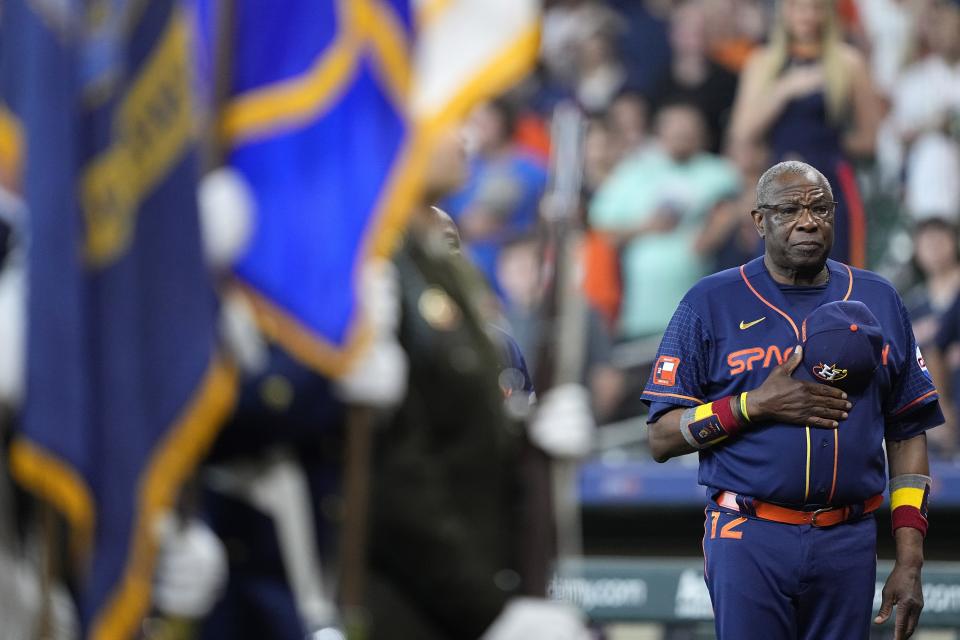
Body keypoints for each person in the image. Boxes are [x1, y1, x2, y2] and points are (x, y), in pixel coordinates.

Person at [643, 160, 942, 639]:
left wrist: (910, 559)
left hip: (848, 536)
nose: (808, 221)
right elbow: (660, 437)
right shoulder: (709, 302)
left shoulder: (879, 298)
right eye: (789, 210)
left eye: (820, 208)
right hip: (748, 531)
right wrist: (753, 405)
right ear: (760, 221)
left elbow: (907, 431)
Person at [729, 0, 882, 267]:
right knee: (774, 278)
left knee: (833, 273)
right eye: (799, 7)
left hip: (831, 182)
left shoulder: (848, 61)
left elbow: (869, 139)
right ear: (784, 12)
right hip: (779, 185)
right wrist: (784, 90)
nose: (807, 15)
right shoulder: (763, 61)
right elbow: (742, 132)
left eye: (815, 7)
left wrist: (828, 146)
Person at [590, 101, 739, 339]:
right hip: (641, 314)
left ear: (702, 135)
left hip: (699, 310)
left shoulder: (718, 172)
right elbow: (602, 227)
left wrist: (716, 229)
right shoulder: (635, 172)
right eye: (675, 131)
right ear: (659, 133)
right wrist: (646, 227)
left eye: (689, 131)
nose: (682, 137)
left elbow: (745, 200)